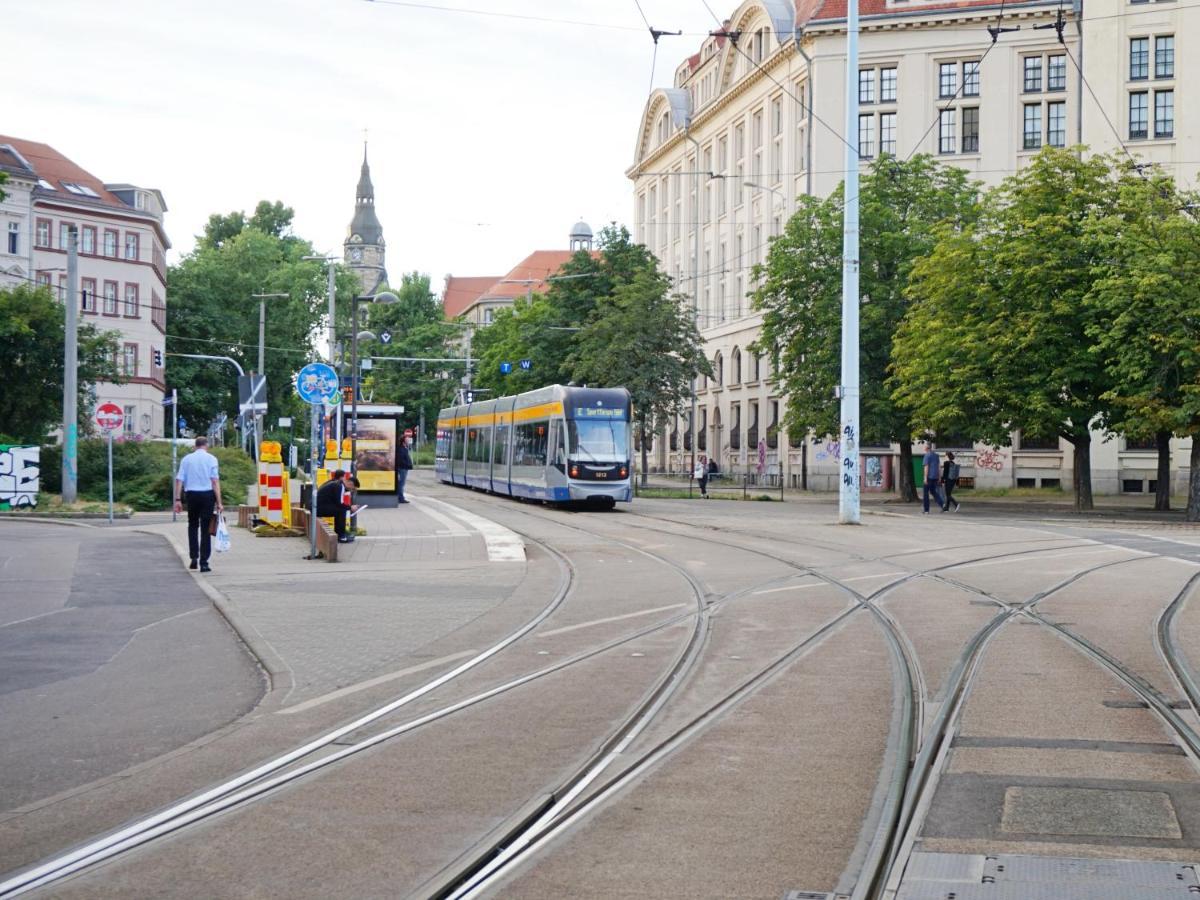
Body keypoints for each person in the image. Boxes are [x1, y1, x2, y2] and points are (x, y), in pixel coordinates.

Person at [173, 436, 223, 572]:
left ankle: (194, 557)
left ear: (195, 446)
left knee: (193, 525)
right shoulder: (212, 459)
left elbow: (179, 480)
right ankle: (204, 562)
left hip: (192, 495)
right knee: (206, 528)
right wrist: (219, 502)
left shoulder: (186, 459)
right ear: (206, 445)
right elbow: (215, 481)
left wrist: (178, 500)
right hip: (207, 495)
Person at [317, 469, 353, 543]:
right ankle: (341, 537)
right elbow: (339, 503)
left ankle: (339, 534)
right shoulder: (338, 485)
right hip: (319, 508)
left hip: (317, 507)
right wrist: (350, 508)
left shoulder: (331, 482)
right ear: (341, 477)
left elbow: (335, 500)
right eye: (345, 477)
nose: (345, 479)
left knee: (339, 510)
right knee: (341, 510)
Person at [921, 440, 946, 515]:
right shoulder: (936, 455)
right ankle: (942, 504)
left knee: (925, 494)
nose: (923, 447)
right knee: (933, 492)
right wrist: (939, 477)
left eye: (924, 445)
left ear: (927, 447)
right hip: (935, 477)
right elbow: (939, 467)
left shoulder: (927, 455)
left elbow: (926, 467)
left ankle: (926, 510)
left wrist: (925, 478)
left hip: (929, 477)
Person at [396, 433, 413, 504]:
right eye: (407, 439)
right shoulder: (401, 449)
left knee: (401, 483)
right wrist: (407, 464)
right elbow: (401, 460)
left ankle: (400, 497)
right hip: (402, 468)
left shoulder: (403, 448)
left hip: (403, 468)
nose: (408, 440)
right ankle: (400, 498)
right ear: (404, 441)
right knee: (401, 484)